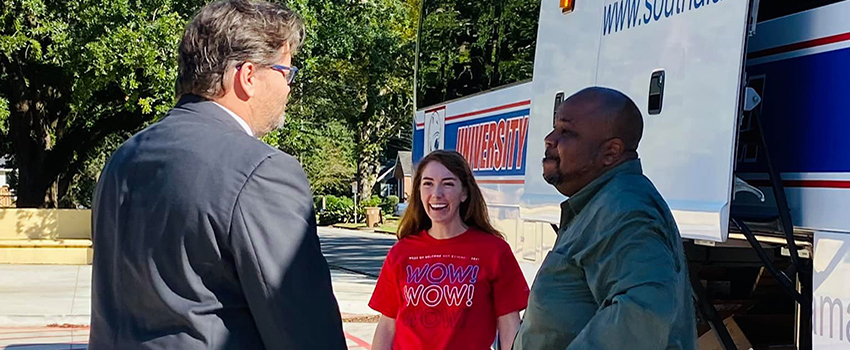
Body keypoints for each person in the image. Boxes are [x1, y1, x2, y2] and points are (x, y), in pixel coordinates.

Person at [88, 1, 346, 349]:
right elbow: (304, 328)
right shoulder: (261, 170)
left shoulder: (125, 157)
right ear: (248, 76)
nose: (289, 88)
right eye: (286, 72)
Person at [513, 87, 697, 350]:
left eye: (567, 132)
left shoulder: (625, 209)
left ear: (611, 152)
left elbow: (642, 316)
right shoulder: (603, 202)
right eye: (554, 128)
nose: (549, 139)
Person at [369, 150, 530, 350]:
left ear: (464, 193)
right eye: (427, 183)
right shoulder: (401, 252)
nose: (436, 194)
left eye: (448, 184)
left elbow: (509, 327)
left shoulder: (494, 251)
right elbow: (387, 325)